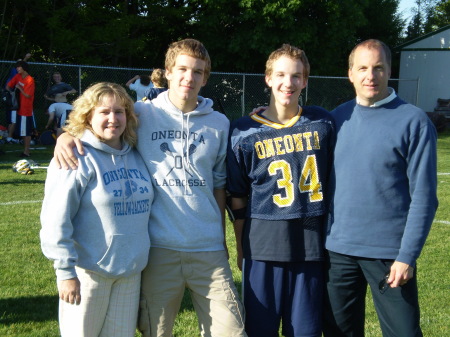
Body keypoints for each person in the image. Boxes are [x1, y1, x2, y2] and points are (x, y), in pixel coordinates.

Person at [53, 38, 246, 337]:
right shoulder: (142, 114)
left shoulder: (219, 123)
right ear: (167, 72)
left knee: (231, 331)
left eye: (197, 71)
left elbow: (219, 186)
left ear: (206, 77)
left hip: (207, 248)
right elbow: (102, 118)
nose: (189, 77)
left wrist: (220, 240)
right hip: (158, 249)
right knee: (156, 332)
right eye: (182, 69)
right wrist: (66, 136)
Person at [323, 39, 438, 337]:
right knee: (338, 332)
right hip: (338, 250)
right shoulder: (337, 118)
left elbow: (425, 198)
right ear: (350, 73)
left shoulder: (415, 121)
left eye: (378, 68)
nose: (370, 76)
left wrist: (406, 256)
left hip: (390, 254)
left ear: (389, 71)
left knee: (404, 332)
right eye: (362, 68)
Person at [227, 44, 334, 337]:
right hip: (262, 245)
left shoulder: (323, 122)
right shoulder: (242, 132)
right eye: (281, 75)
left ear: (306, 81)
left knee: (305, 331)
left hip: (310, 245)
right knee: (260, 330)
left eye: (297, 76)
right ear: (268, 78)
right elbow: (237, 196)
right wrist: (241, 247)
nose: (289, 83)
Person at [40, 82, 154, 337]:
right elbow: (55, 219)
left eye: (119, 111)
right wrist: (65, 273)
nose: (113, 119)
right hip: (88, 274)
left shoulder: (137, 153)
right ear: (88, 115)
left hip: (130, 273)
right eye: (104, 112)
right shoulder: (74, 155)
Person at [6, 60, 35, 157]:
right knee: (22, 131)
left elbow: (28, 95)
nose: (17, 69)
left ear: (24, 68)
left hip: (25, 110)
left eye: (19, 67)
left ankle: (26, 152)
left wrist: (19, 88)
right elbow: (8, 86)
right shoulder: (18, 76)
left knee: (25, 132)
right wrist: (11, 94)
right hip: (18, 108)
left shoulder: (30, 80)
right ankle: (26, 150)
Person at [3, 53, 31, 144]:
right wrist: (12, 93)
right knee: (13, 120)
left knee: (12, 120)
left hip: (15, 101)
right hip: (13, 102)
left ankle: (9, 136)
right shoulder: (15, 72)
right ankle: (9, 138)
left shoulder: (20, 76)